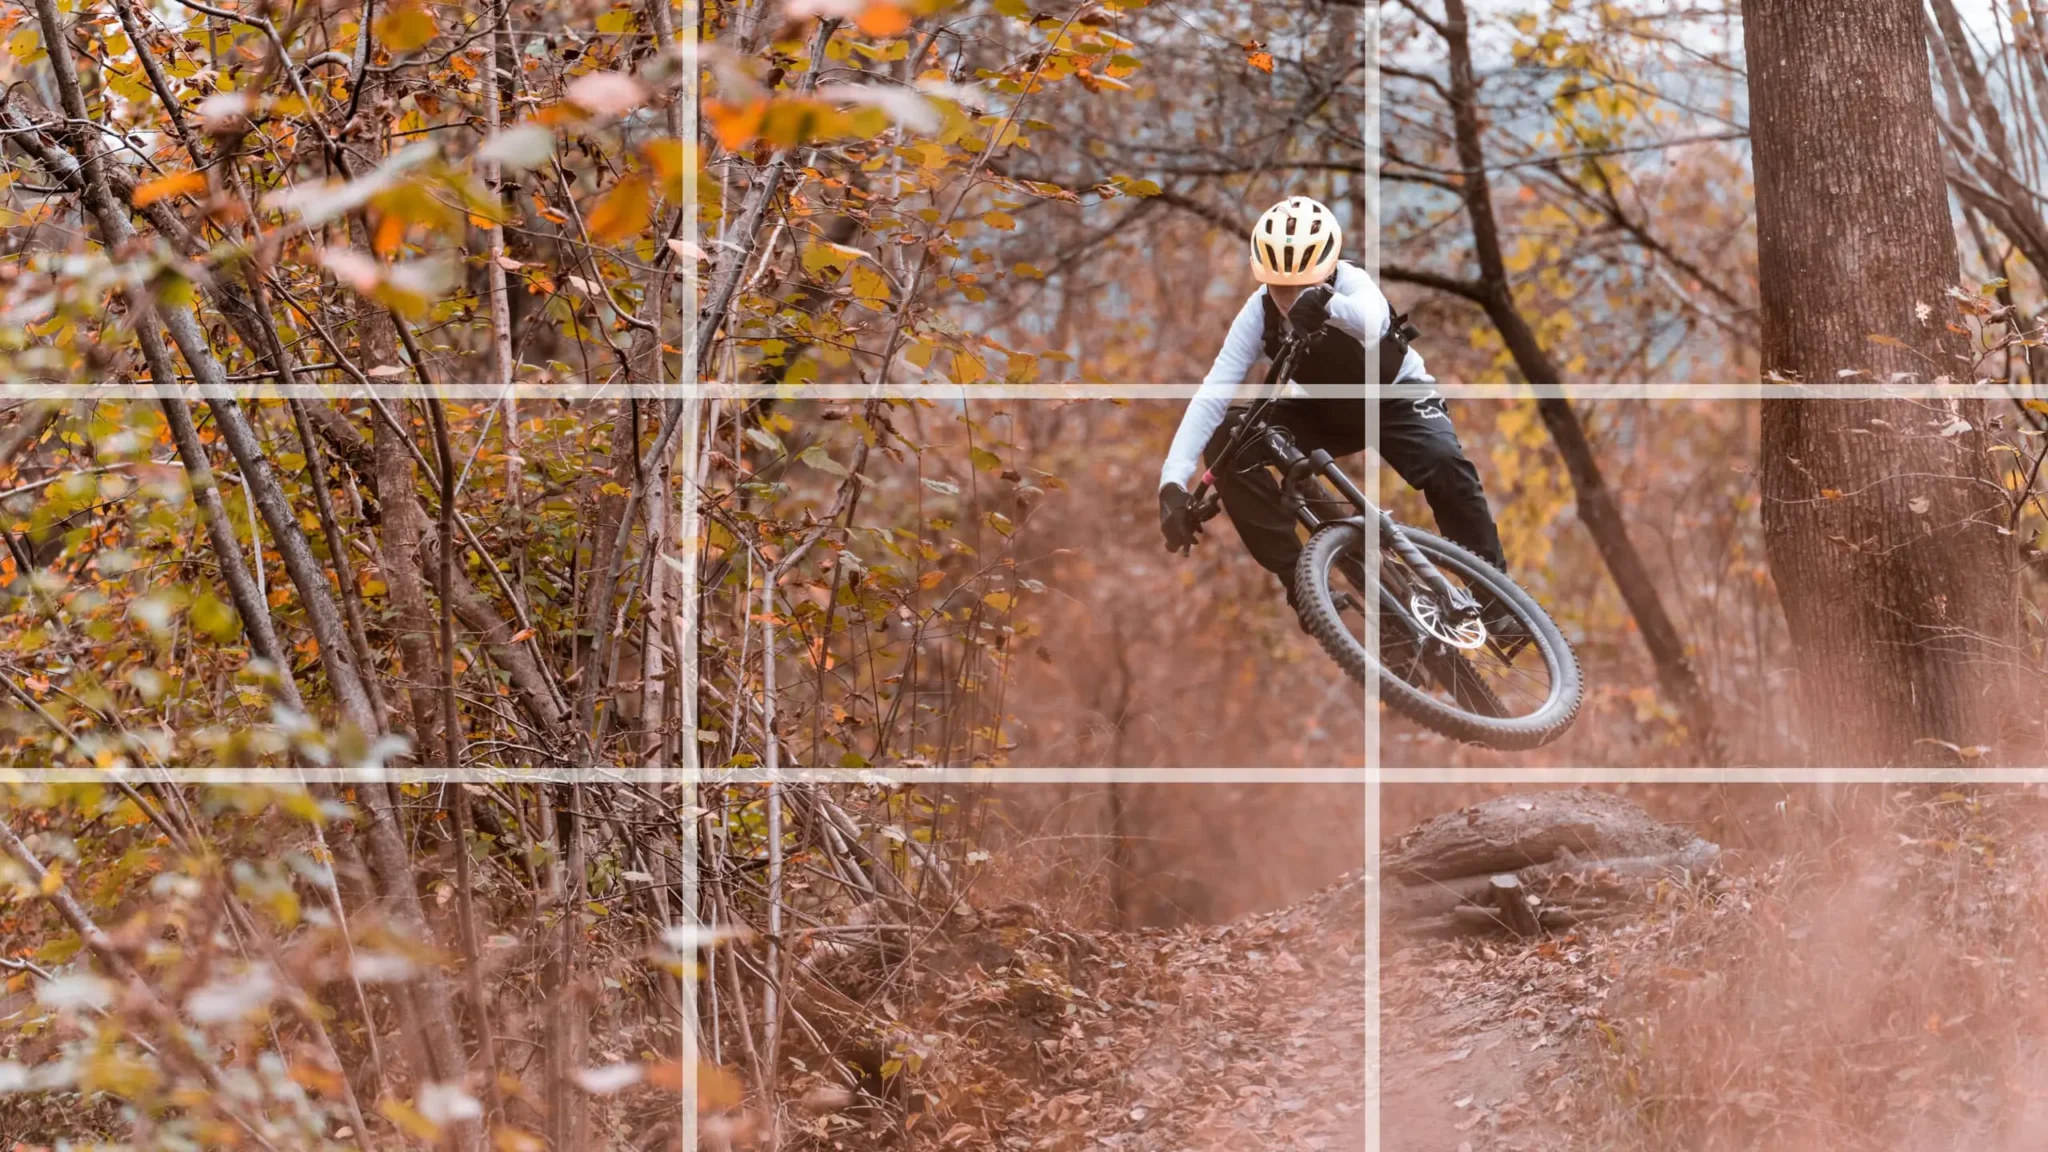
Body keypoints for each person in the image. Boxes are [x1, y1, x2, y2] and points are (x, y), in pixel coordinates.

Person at [1156, 196, 1506, 617]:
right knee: (1230, 437)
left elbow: (1372, 321)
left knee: (1445, 464)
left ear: (1326, 270)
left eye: (1301, 284)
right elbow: (1213, 392)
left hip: (1395, 399)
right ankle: (1300, 582)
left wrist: (1323, 304)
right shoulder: (1258, 313)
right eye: (1279, 286)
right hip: (1324, 412)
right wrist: (1172, 483)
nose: (1287, 297)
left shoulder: (1351, 282)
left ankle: (1498, 601)